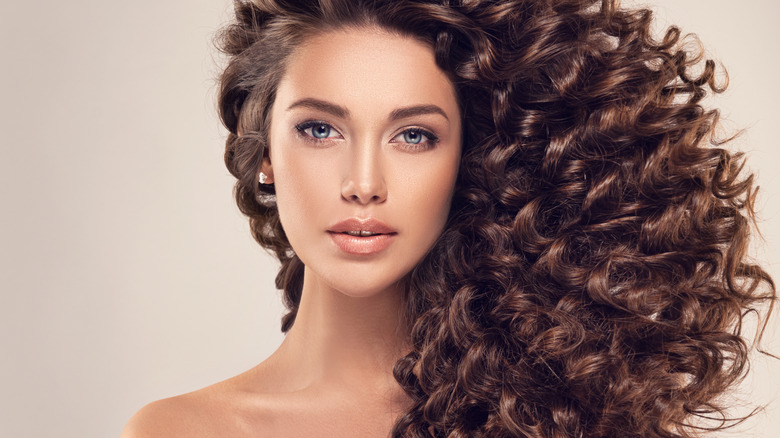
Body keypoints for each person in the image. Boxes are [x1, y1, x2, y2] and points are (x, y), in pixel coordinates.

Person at [122, 0, 776, 436]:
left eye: (414, 136)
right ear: (265, 153)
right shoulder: (183, 431)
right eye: (320, 129)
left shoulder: (553, 413)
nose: (363, 184)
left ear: (472, 163)